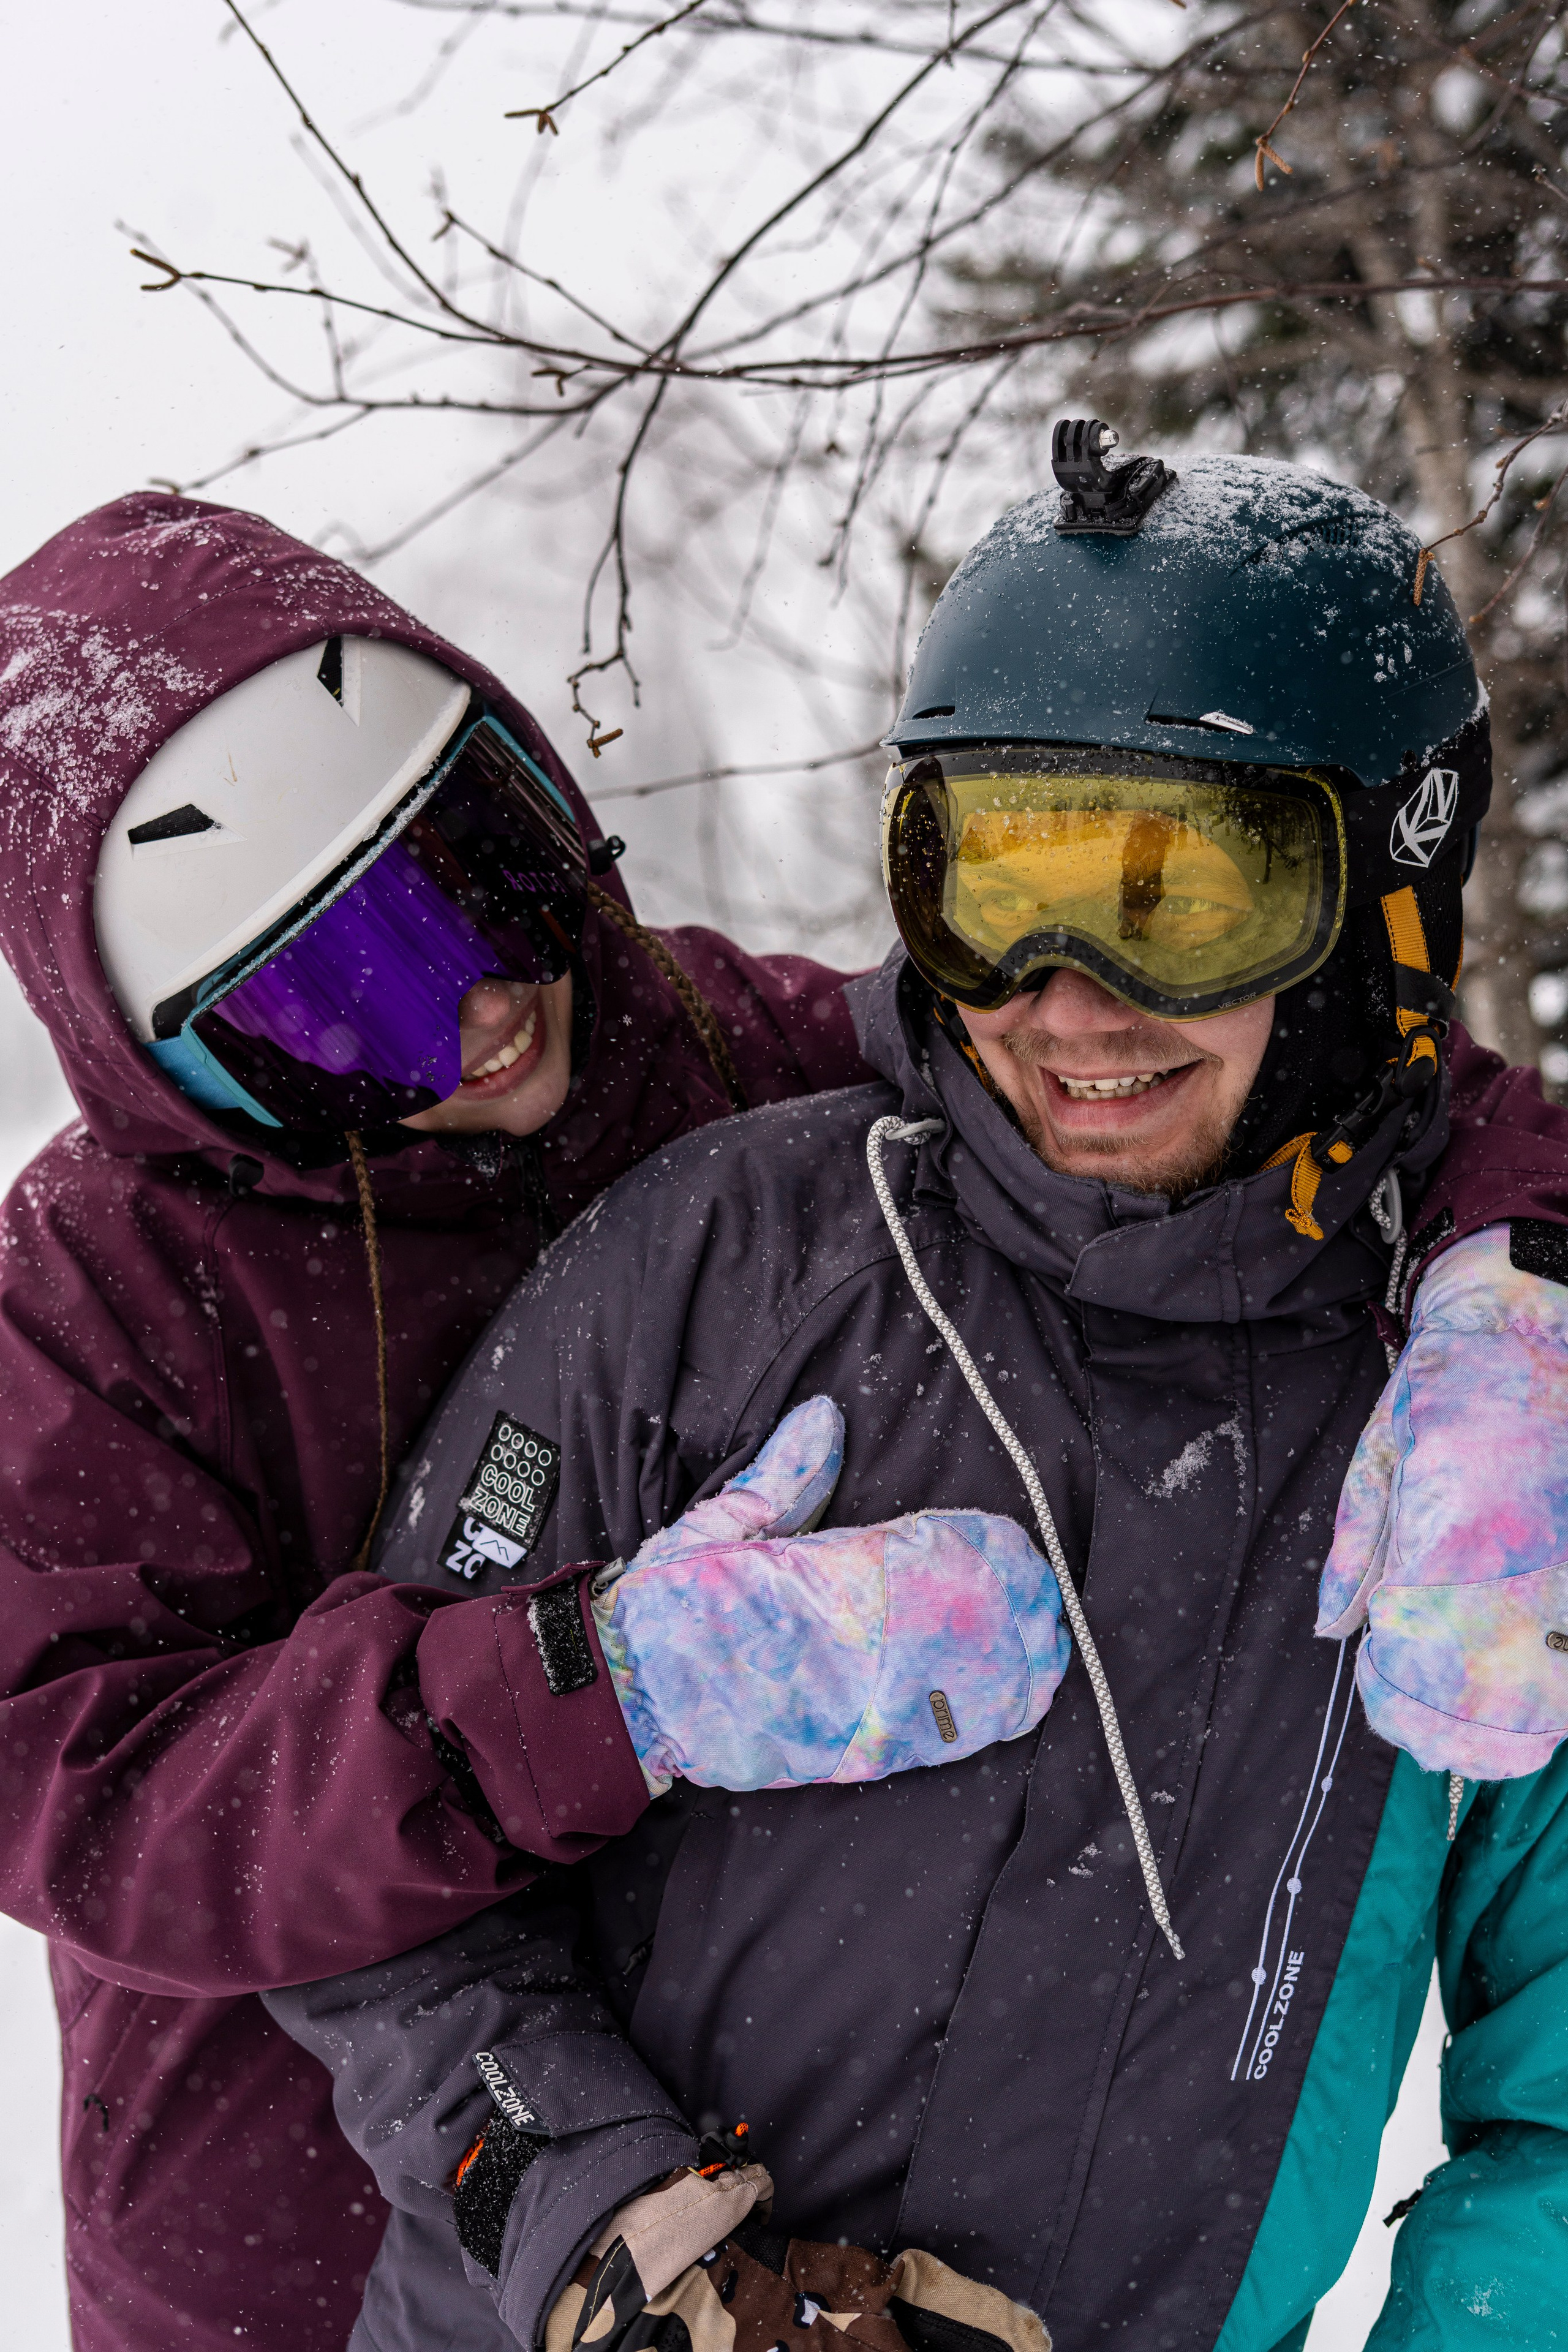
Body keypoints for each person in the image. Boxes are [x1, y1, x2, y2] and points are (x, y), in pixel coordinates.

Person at [271, 443, 1568, 2352]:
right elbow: (383, 1855)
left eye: (1179, 897)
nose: (1066, 1001)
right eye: (995, 888)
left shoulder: (1486, 1455)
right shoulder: (731, 1252)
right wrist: (596, 2226)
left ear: (1381, 896)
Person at [0, 491, 886, 2352]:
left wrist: (1499, 1252)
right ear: (193, 1065)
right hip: (288, 2239)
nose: (482, 1006)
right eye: (343, 999)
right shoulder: (93, 1293)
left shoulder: (711, 1044)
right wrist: (573, 1691)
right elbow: (77, 1770)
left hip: (742, 2157)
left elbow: (1112, 1068)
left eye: (491, 874)